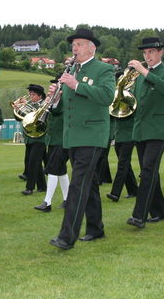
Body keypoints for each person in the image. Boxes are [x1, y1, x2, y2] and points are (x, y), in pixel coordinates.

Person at [48, 28, 115, 250]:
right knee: (90, 185)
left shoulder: (103, 69)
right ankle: (96, 228)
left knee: (77, 186)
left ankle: (67, 237)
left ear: (91, 47)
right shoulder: (71, 71)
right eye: (73, 44)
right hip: (72, 137)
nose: (74, 48)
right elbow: (64, 108)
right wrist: (55, 99)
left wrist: (76, 85)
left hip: (92, 136)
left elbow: (107, 96)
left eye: (79, 44)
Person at [125, 37, 164, 229]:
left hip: (159, 129)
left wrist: (143, 71)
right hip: (141, 129)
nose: (148, 56)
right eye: (145, 53)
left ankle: (139, 215)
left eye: (152, 52)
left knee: (147, 171)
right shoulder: (139, 77)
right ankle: (160, 211)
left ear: (161, 52)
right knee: (149, 172)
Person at [34, 77, 70, 212]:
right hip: (54, 140)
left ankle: (47, 202)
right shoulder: (53, 101)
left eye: (53, 89)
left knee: (53, 170)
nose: (49, 91)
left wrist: (53, 102)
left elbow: (58, 111)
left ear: (60, 91)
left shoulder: (65, 101)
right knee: (61, 171)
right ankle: (68, 199)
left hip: (62, 140)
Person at [106, 72, 138, 202]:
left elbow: (133, 107)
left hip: (130, 134)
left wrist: (122, 95)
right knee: (126, 165)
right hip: (119, 135)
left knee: (122, 165)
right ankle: (134, 190)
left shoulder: (132, 94)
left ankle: (115, 192)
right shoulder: (116, 94)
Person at [19, 84, 47, 195]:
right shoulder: (29, 104)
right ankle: (42, 186)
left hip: (40, 137)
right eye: (30, 94)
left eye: (33, 94)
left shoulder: (43, 104)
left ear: (40, 96)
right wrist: (18, 109)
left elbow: (38, 116)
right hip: (29, 137)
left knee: (32, 163)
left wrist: (26, 107)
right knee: (36, 162)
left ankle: (29, 188)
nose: (31, 96)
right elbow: (20, 118)